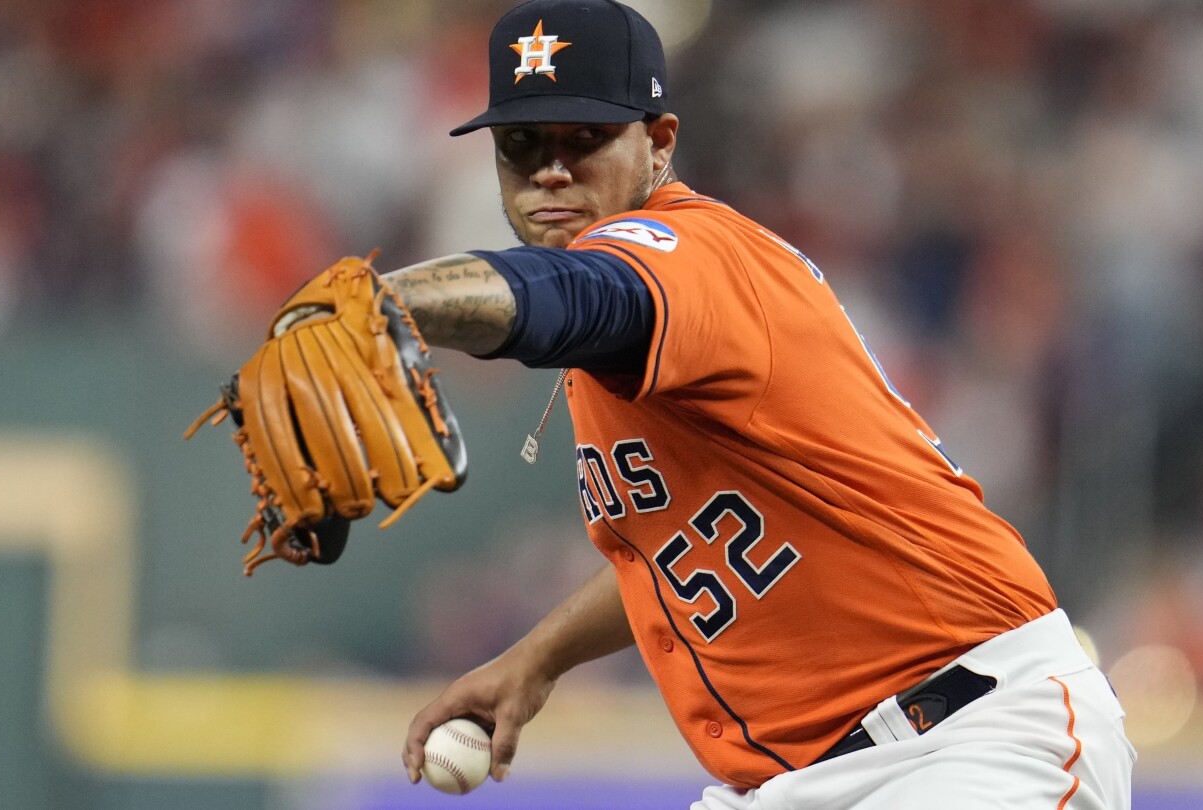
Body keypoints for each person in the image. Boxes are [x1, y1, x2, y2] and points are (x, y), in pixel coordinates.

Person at [392, 1, 1135, 807]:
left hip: (972, 740)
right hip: (803, 780)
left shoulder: (691, 254)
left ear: (659, 144)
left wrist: (381, 302)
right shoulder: (637, 347)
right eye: (523, 146)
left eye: (586, 139)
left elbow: (566, 294)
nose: (551, 172)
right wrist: (534, 660)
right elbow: (687, 556)